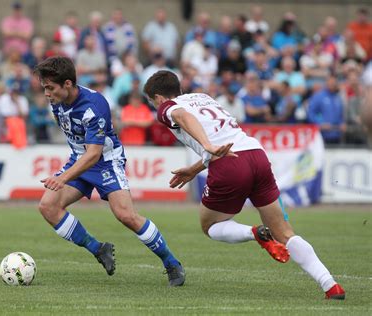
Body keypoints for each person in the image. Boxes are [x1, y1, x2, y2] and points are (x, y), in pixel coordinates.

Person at [143, 70, 345, 299]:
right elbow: (224, 139)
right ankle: (330, 285)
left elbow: (182, 117)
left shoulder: (166, 107)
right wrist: (196, 168)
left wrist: (206, 145)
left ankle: (254, 233)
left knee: (209, 225)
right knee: (284, 233)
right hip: (255, 154)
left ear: (158, 97)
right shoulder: (203, 97)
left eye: (152, 102)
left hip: (229, 166)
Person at [33, 57, 184, 286]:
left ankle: (171, 262)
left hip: (105, 161)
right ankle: (98, 249)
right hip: (79, 159)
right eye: (44, 88)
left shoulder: (94, 105)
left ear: (67, 84)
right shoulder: (57, 101)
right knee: (48, 206)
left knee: (126, 215)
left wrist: (62, 178)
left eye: (50, 88)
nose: (46, 94)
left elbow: (94, 154)